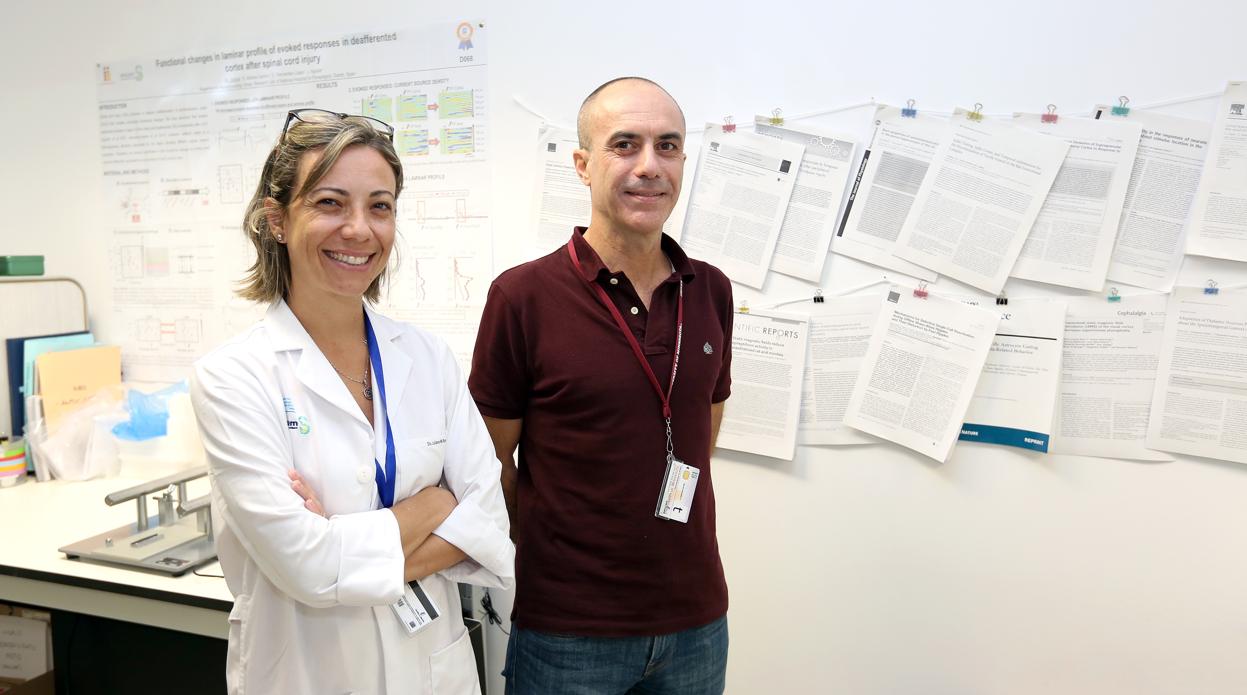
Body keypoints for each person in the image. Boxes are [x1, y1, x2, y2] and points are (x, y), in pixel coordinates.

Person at [191, 109, 513, 695]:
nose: (359, 229)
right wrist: (435, 507)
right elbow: (305, 565)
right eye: (330, 203)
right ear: (276, 220)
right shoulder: (233, 377)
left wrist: (342, 552)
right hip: (306, 671)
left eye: (380, 205)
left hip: (431, 667)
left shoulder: (427, 357)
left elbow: (488, 519)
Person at [470, 78, 734, 694]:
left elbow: (703, 430)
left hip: (697, 622)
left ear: (684, 163)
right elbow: (489, 460)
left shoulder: (712, 289)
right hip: (569, 631)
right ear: (584, 166)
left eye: (667, 146)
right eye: (625, 144)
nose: (650, 166)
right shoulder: (523, 297)